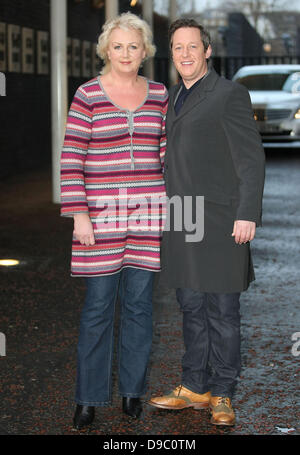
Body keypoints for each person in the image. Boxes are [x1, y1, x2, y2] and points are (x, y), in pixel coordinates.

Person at [148, 19, 265, 426]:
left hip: (220, 218)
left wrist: (247, 212)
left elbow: (250, 160)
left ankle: (223, 393)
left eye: (192, 46)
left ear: (208, 50)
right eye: (177, 47)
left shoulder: (229, 94)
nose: (184, 54)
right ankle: (194, 385)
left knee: (222, 309)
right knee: (191, 305)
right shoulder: (172, 98)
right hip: (182, 217)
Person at [60, 12, 168, 430]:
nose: (126, 53)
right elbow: (72, 159)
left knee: (140, 307)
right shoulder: (88, 94)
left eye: (134, 46)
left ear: (144, 52)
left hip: (146, 215)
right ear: (107, 49)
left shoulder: (159, 93)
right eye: (118, 46)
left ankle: (131, 392)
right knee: (98, 308)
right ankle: (88, 398)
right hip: (99, 219)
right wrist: (79, 216)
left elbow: (165, 153)